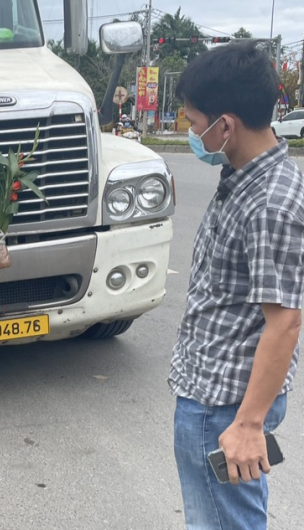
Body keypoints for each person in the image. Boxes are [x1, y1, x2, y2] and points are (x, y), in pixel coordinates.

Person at [170, 42, 304, 529]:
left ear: (224, 125)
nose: (190, 131)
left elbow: (285, 321)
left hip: (224, 409)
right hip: (217, 396)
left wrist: (247, 425)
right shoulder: (242, 176)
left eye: (191, 120)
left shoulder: (269, 203)